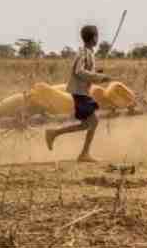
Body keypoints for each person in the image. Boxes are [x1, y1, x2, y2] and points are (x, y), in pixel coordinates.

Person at [45, 24, 112, 163]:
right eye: (97, 36)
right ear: (93, 38)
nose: (97, 39)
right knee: (93, 121)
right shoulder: (83, 53)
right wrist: (99, 77)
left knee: (87, 124)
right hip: (80, 92)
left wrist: (98, 75)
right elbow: (79, 71)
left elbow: (86, 74)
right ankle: (84, 154)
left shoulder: (88, 53)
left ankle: (54, 133)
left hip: (82, 92)